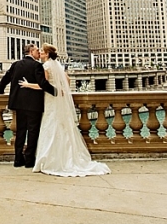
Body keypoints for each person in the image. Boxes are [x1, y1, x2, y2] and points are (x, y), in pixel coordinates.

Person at [19, 43, 111, 177]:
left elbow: (43, 85)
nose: (40, 53)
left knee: (51, 125)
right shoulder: (57, 65)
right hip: (58, 98)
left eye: (42, 52)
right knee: (61, 125)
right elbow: (67, 80)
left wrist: (27, 85)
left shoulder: (45, 66)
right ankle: (66, 157)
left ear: (47, 54)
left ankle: (51, 159)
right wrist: (62, 91)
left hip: (50, 98)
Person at [0, 43, 57, 168]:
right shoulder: (37, 65)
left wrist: (0, 90)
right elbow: (43, 83)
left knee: (20, 132)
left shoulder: (16, 64)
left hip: (18, 103)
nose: (38, 53)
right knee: (33, 132)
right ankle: (29, 160)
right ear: (30, 51)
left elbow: (6, 78)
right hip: (34, 104)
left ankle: (18, 159)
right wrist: (55, 92)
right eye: (36, 50)